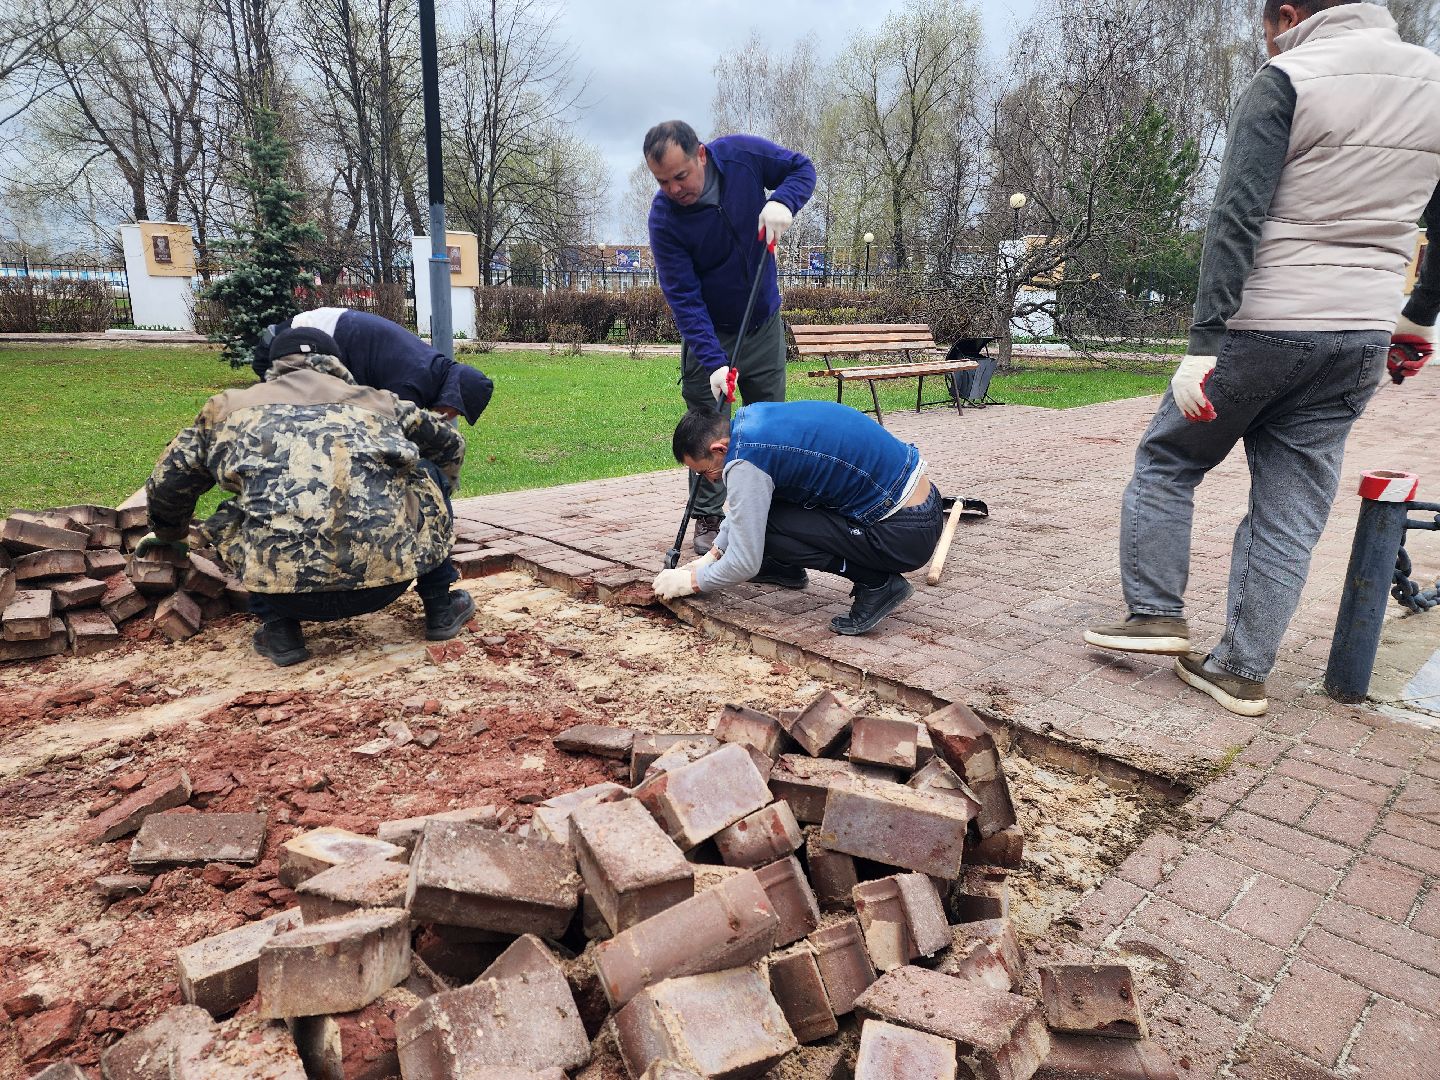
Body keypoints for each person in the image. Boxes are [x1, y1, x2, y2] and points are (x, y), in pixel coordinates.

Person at [1084, 0, 1440, 717]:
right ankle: (1242, 669)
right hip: (1361, 335)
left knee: (1170, 460)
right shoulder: (1433, 83)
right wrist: (1415, 318)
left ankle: (1156, 613)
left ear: (1285, 13)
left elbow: (1237, 216)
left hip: (1264, 324)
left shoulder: (1290, 75)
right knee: (1290, 510)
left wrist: (1202, 345)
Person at [137, 327, 475, 667]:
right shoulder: (383, 403)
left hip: (286, 595)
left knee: (239, 510)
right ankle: (439, 608)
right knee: (426, 476)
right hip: (386, 584)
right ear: (335, 363)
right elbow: (450, 444)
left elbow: (171, 480)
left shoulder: (227, 409)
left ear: (274, 364)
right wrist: (437, 488)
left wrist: (171, 535)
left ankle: (280, 630)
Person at [644, 119, 817, 554]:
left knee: (769, 425)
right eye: (663, 181)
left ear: (700, 154)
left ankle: (769, 518)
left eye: (680, 176)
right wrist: (714, 360)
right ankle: (709, 516)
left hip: (762, 323)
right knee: (708, 424)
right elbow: (683, 297)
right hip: (710, 335)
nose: (674, 189)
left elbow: (802, 169)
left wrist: (784, 201)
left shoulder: (741, 156)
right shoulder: (665, 219)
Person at [651, 401, 944, 636]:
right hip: (920, 505)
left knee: (769, 526)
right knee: (765, 514)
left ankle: (878, 584)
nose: (711, 481)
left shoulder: (743, 462)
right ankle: (785, 568)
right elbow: (746, 509)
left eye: (705, 473)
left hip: (904, 533)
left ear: (719, 449)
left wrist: (692, 582)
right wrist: (712, 554)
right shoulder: (750, 421)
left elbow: (744, 562)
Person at [254, 308, 494, 426]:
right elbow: (387, 433)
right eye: (457, 411)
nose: (450, 417)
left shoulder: (431, 368)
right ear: (453, 397)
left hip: (317, 338)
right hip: (295, 344)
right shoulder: (412, 384)